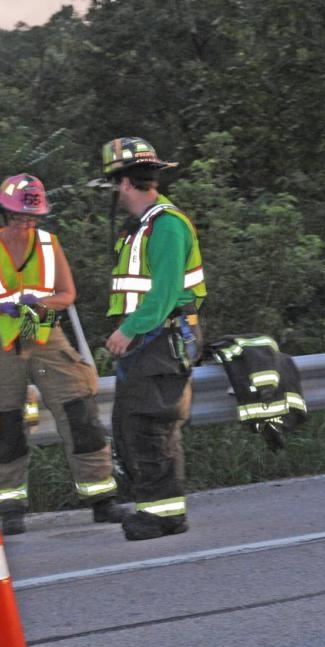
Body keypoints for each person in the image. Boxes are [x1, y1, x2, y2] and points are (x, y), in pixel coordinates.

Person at [0, 173, 126, 534]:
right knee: (6, 423)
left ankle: (101, 498)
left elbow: (66, 294)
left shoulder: (48, 243)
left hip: (42, 331)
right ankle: (9, 507)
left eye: (31, 217)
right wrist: (4, 309)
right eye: (18, 216)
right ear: (3, 213)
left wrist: (34, 306)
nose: (25, 224)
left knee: (79, 409)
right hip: (1, 340)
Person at [101, 137, 206, 540]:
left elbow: (162, 294)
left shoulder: (166, 226)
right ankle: (156, 507)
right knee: (135, 423)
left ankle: (163, 514)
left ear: (126, 183)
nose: (116, 193)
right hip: (152, 336)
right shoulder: (143, 228)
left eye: (116, 184)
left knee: (151, 424)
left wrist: (127, 330)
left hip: (159, 335)